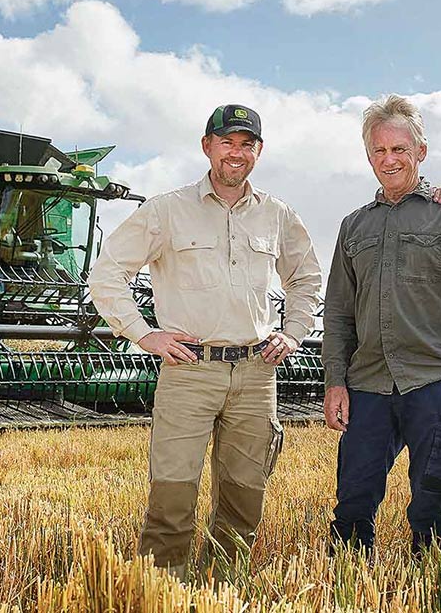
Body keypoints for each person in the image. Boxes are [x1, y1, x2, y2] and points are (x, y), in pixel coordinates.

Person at [87, 104, 322, 578]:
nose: (236, 153)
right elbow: (107, 273)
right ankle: (162, 592)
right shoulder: (167, 210)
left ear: (258, 151)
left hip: (257, 375)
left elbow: (307, 278)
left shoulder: (277, 215)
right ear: (207, 146)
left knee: (242, 503)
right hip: (189, 372)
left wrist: (293, 332)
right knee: (171, 500)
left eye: (246, 144)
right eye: (227, 142)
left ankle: (221, 590)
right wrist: (144, 334)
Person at [322, 95, 441, 555]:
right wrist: (336, 382)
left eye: (400, 149)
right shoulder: (353, 226)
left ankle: (431, 588)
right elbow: (337, 311)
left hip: (434, 381)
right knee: (352, 503)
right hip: (367, 385)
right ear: (368, 156)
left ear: (421, 151)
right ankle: (350, 589)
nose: (389, 160)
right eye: (379, 151)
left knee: (431, 507)